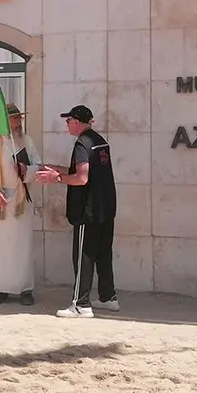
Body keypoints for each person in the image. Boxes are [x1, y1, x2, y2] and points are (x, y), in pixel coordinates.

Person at [37, 105, 117, 318]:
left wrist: (57, 178)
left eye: (69, 120)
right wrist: (53, 168)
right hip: (106, 208)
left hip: (88, 210)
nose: (66, 124)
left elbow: (82, 178)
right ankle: (108, 297)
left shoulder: (82, 143)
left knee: (84, 256)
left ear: (78, 122)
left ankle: (81, 304)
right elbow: (84, 170)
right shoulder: (100, 141)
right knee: (102, 253)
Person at [0, 103, 42, 306]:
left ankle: (25, 289)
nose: (19, 121)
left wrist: (26, 168)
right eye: (15, 118)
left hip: (22, 200)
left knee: (23, 246)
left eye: (20, 118)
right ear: (4, 120)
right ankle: (0, 289)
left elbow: (38, 166)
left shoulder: (26, 142)